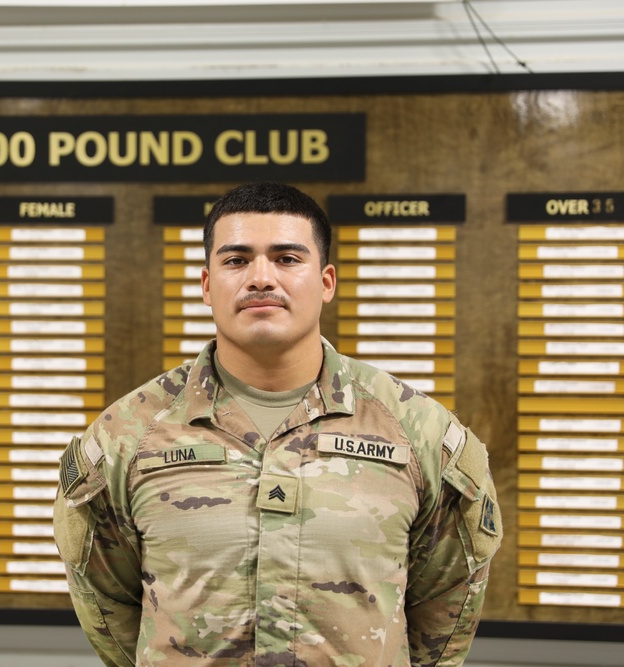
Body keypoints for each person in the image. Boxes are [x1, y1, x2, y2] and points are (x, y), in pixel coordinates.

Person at [53, 181, 502, 667]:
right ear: (207, 284)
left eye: (287, 259)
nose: (261, 278)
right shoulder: (127, 435)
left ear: (326, 282)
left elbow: (447, 603)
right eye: (236, 260)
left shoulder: (418, 431)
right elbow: (107, 602)